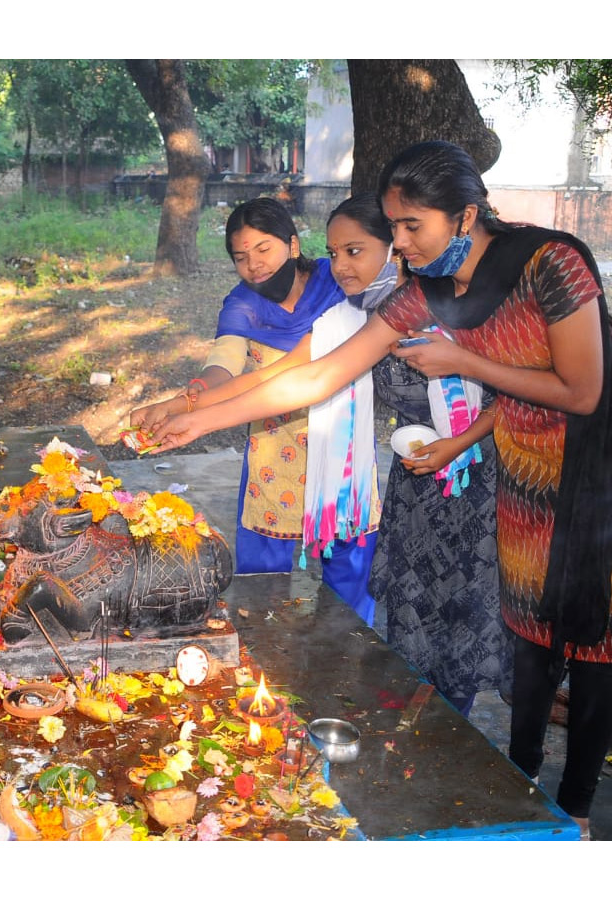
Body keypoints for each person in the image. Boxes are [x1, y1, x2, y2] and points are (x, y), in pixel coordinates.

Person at [148, 141, 612, 835]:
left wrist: (458, 358)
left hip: (591, 476)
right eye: (391, 228)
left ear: (465, 216)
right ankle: (519, 794)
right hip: (521, 474)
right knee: (530, 642)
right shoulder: (422, 291)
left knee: (593, 644)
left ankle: (573, 808)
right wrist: (196, 420)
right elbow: (320, 374)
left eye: (410, 227)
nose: (399, 243)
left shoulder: (554, 262)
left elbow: (582, 390)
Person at [131, 197, 378, 620]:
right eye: (241, 257)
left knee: (350, 582)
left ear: (293, 245)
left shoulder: (341, 287)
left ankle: (351, 664)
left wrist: (189, 410)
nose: (255, 266)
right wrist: (186, 399)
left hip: (343, 454)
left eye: (264, 249)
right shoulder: (242, 305)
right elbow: (223, 368)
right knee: (262, 587)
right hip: (273, 455)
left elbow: (299, 372)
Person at [327, 194, 507, 717]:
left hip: (472, 482)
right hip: (414, 484)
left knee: (461, 614)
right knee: (411, 613)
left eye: (354, 251)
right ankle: (407, 721)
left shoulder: (452, 305)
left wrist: (458, 442)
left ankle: (452, 730)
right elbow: (308, 372)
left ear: (395, 250)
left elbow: (509, 394)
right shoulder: (374, 317)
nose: (340, 266)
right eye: (333, 253)